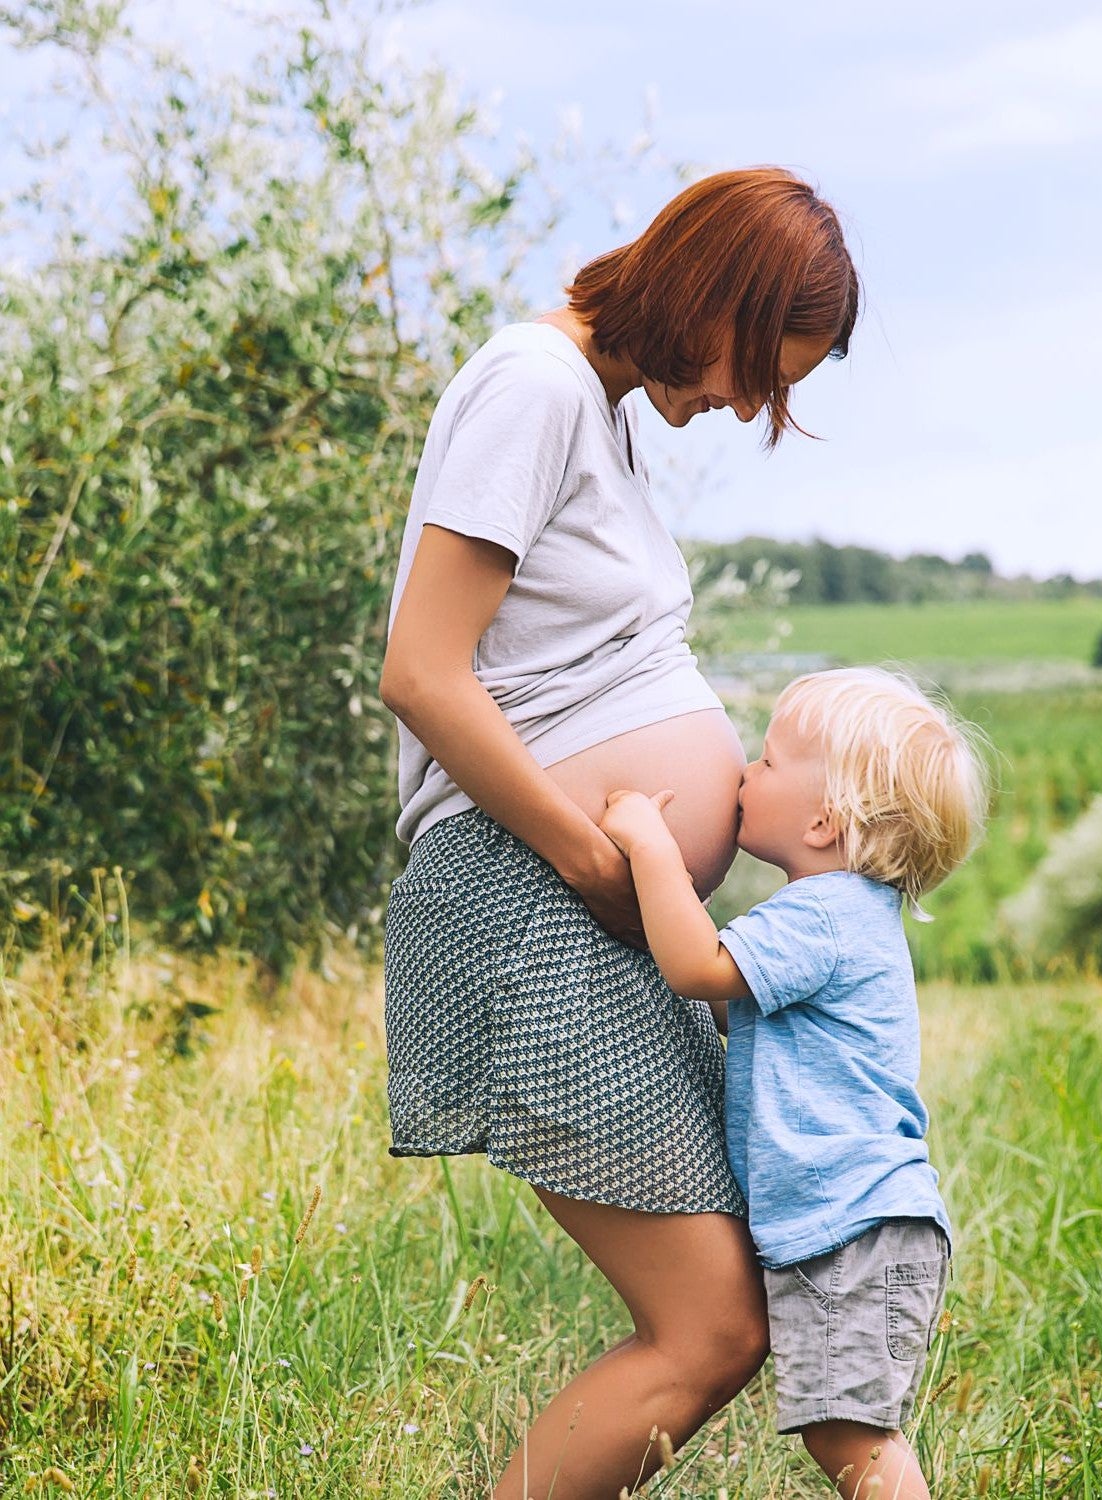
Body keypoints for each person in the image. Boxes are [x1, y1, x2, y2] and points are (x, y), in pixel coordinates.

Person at [378, 168, 859, 1499]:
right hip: (527, 902)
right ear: (704, 292)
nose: (749, 406)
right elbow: (422, 672)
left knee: (739, 1305)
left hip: (580, 917)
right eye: (758, 367)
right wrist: (601, 862)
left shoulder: (596, 410)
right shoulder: (534, 387)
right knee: (710, 1327)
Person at [599, 667, 991, 1500]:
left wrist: (647, 844)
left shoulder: (823, 914)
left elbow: (696, 966)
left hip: (856, 1230)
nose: (744, 773)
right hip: (853, 1226)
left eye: (769, 763)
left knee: (854, 1438)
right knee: (841, 1431)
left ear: (824, 819)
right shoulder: (842, 915)